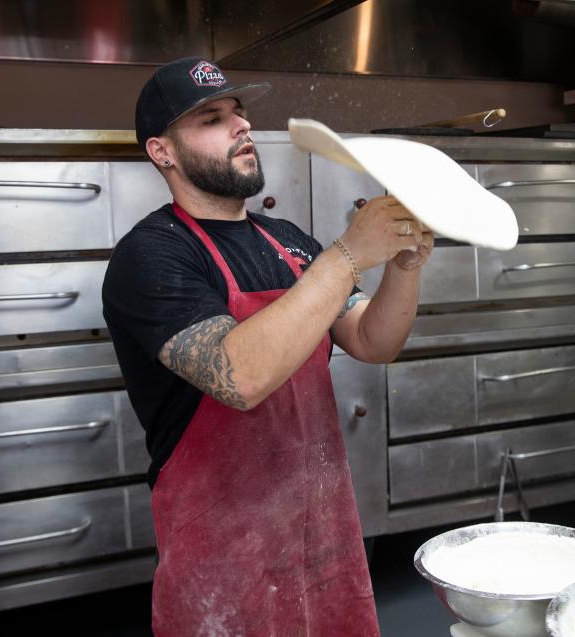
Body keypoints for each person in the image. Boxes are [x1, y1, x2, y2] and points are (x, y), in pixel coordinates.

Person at [102, 57, 433, 637]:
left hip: (319, 532)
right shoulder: (152, 255)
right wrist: (350, 254)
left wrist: (403, 266)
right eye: (212, 118)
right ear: (163, 152)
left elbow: (371, 341)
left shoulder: (289, 243)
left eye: (240, 112)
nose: (242, 127)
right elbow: (240, 377)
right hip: (223, 557)